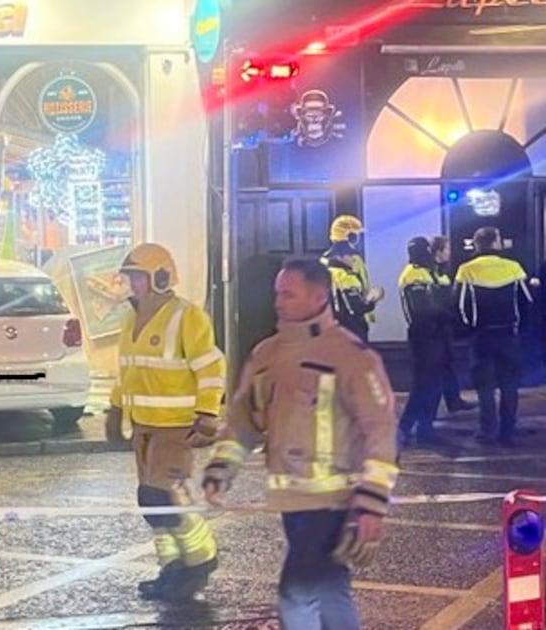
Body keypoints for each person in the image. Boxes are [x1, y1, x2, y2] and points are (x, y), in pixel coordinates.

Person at [203, 257, 399, 630]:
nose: (278, 301)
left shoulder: (351, 356)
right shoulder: (266, 354)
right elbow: (243, 422)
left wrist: (372, 503)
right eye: (278, 293)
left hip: (334, 503)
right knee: (329, 592)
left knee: (296, 596)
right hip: (293, 503)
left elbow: (381, 431)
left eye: (288, 294)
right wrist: (220, 468)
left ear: (318, 297)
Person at [104, 242, 224, 600]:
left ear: (159, 277)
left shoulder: (186, 316)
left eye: (138, 277)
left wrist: (207, 414)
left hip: (176, 425)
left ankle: (201, 559)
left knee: (161, 494)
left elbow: (211, 366)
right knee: (151, 502)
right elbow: (127, 370)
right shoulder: (132, 318)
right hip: (143, 426)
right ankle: (172, 568)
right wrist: (114, 410)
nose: (132, 284)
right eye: (130, 277)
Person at [455, 227, 534, 447]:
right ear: (495, 243)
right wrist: (522, 328)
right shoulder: (513, 268)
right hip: (508, 334)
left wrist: (469, 329)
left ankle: (487, 430)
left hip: (481, 336)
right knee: (510, 385)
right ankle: (507, 431)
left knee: (485, 386)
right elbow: (526, 301)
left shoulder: (466, 270)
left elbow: (460, 305)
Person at [397, 237, 456, 449]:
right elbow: (423, 310)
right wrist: (450, 316)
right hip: (424, 337)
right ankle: (405, 428)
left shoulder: (431, 272)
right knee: (423, 385)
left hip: (436, 336)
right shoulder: (414, 274)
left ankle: (425, 429)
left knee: (434, 385)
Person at [430, 236, 477, 413]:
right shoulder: (431, 273)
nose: (450, 253)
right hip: (436, 329)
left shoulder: (440, 271)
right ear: (439, 251)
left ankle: (454, 400)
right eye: (447, 249)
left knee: (449, 364)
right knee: (439, 367)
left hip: (444, 326)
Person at [321, 214, 382, 328]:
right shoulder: (353, 261)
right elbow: (363, 285)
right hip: (353, 320)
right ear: (351, 237)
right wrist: (371, 301)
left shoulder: (323, 261)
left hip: (329, 322)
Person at [325, 241, 377, 342]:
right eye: (349, 255)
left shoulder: (325, 273)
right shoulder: (345, 277)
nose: (353, 258)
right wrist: (372, 299)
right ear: (338, 257)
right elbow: (356, 308)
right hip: (351, 328)